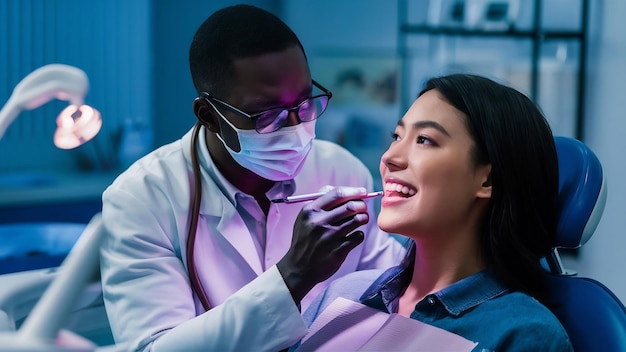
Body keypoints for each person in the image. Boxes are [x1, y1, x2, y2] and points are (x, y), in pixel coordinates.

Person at [99, 4, 406, 352]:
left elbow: (395, 288)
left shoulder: (340, 169)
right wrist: (294, 275)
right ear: (209, 116)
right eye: (268, 115)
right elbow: (152, 349)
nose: (296, 129)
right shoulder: (142, 198)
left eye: (304, 104)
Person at [297, 73, 573, 351]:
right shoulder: (345, 294)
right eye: (397, 136)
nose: (390, 157)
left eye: (424, 140)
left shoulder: (524, 333)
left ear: (487, 180)